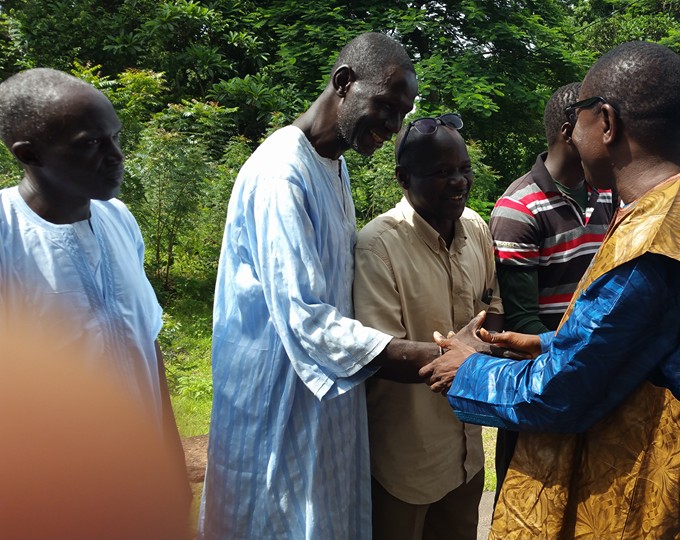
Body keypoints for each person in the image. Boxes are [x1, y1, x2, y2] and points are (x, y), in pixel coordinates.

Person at [421, 41, 680, 538]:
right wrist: (549, 342)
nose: (573, 134)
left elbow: (564, 392)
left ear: (607, 123)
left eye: (578, 119)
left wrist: (468, 368)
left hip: (624, 507)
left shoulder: (656, 242)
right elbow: (641, 348)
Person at [199, 33, 446, 539]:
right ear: (343, 83)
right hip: (272, 406)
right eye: (386, 105)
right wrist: (435, 358)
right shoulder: (280, 174)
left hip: (324, 402)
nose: (394, 126)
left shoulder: (332, 167)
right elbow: (305, 317)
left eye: (403, 113)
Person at [0, 68, 190, 537]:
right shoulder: (6, 236)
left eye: (115, 138)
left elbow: (146, 348)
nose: (116, 157)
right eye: (90, 144)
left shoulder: (119, 220)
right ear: (28, 153)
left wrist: (170, 461)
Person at [354, 113, 504, 540]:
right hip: (405, 460)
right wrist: (460, 356)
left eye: (463, 170)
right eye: (441, 172)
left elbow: (492, 307)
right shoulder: (378, 247)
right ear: (403, 177)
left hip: (466, 453)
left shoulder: (475, 227)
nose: (458, 182)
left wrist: (477, 350)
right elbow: (377, 353)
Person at [487, 81, 614, 496]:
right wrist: (582, 360)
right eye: (600, 124)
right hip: (543, 380)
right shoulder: (519, 209)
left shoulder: (610, 194)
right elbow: (522, 319)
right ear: (568, 131)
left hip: (593, 372)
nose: (610, 134)